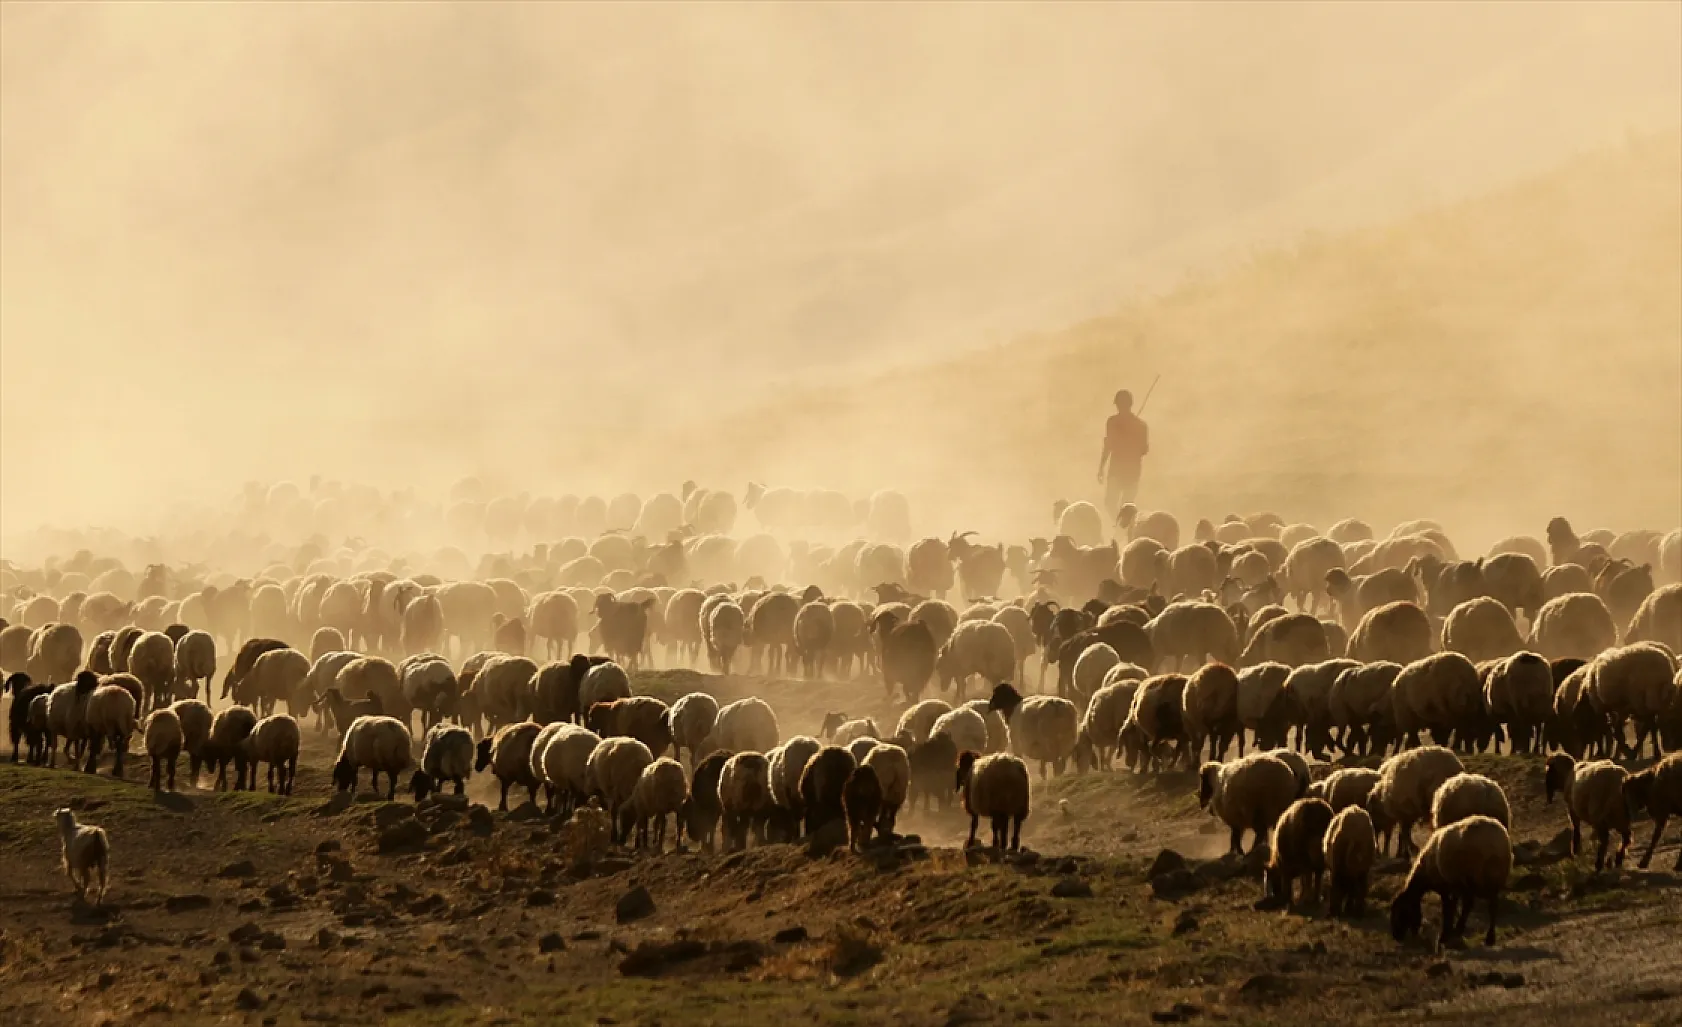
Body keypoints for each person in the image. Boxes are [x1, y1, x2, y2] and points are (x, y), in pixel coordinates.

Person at [1097, 389, 1149, 513]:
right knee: (1119, 505)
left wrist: (1101, 468)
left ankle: (1121, 528)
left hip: (1123, 470)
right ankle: (1120, 527)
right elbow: (1144, 450)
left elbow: (1108, 446)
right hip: (1128, 470)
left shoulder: (1114, 422)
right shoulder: (1140, 425)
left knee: (1122, 505)